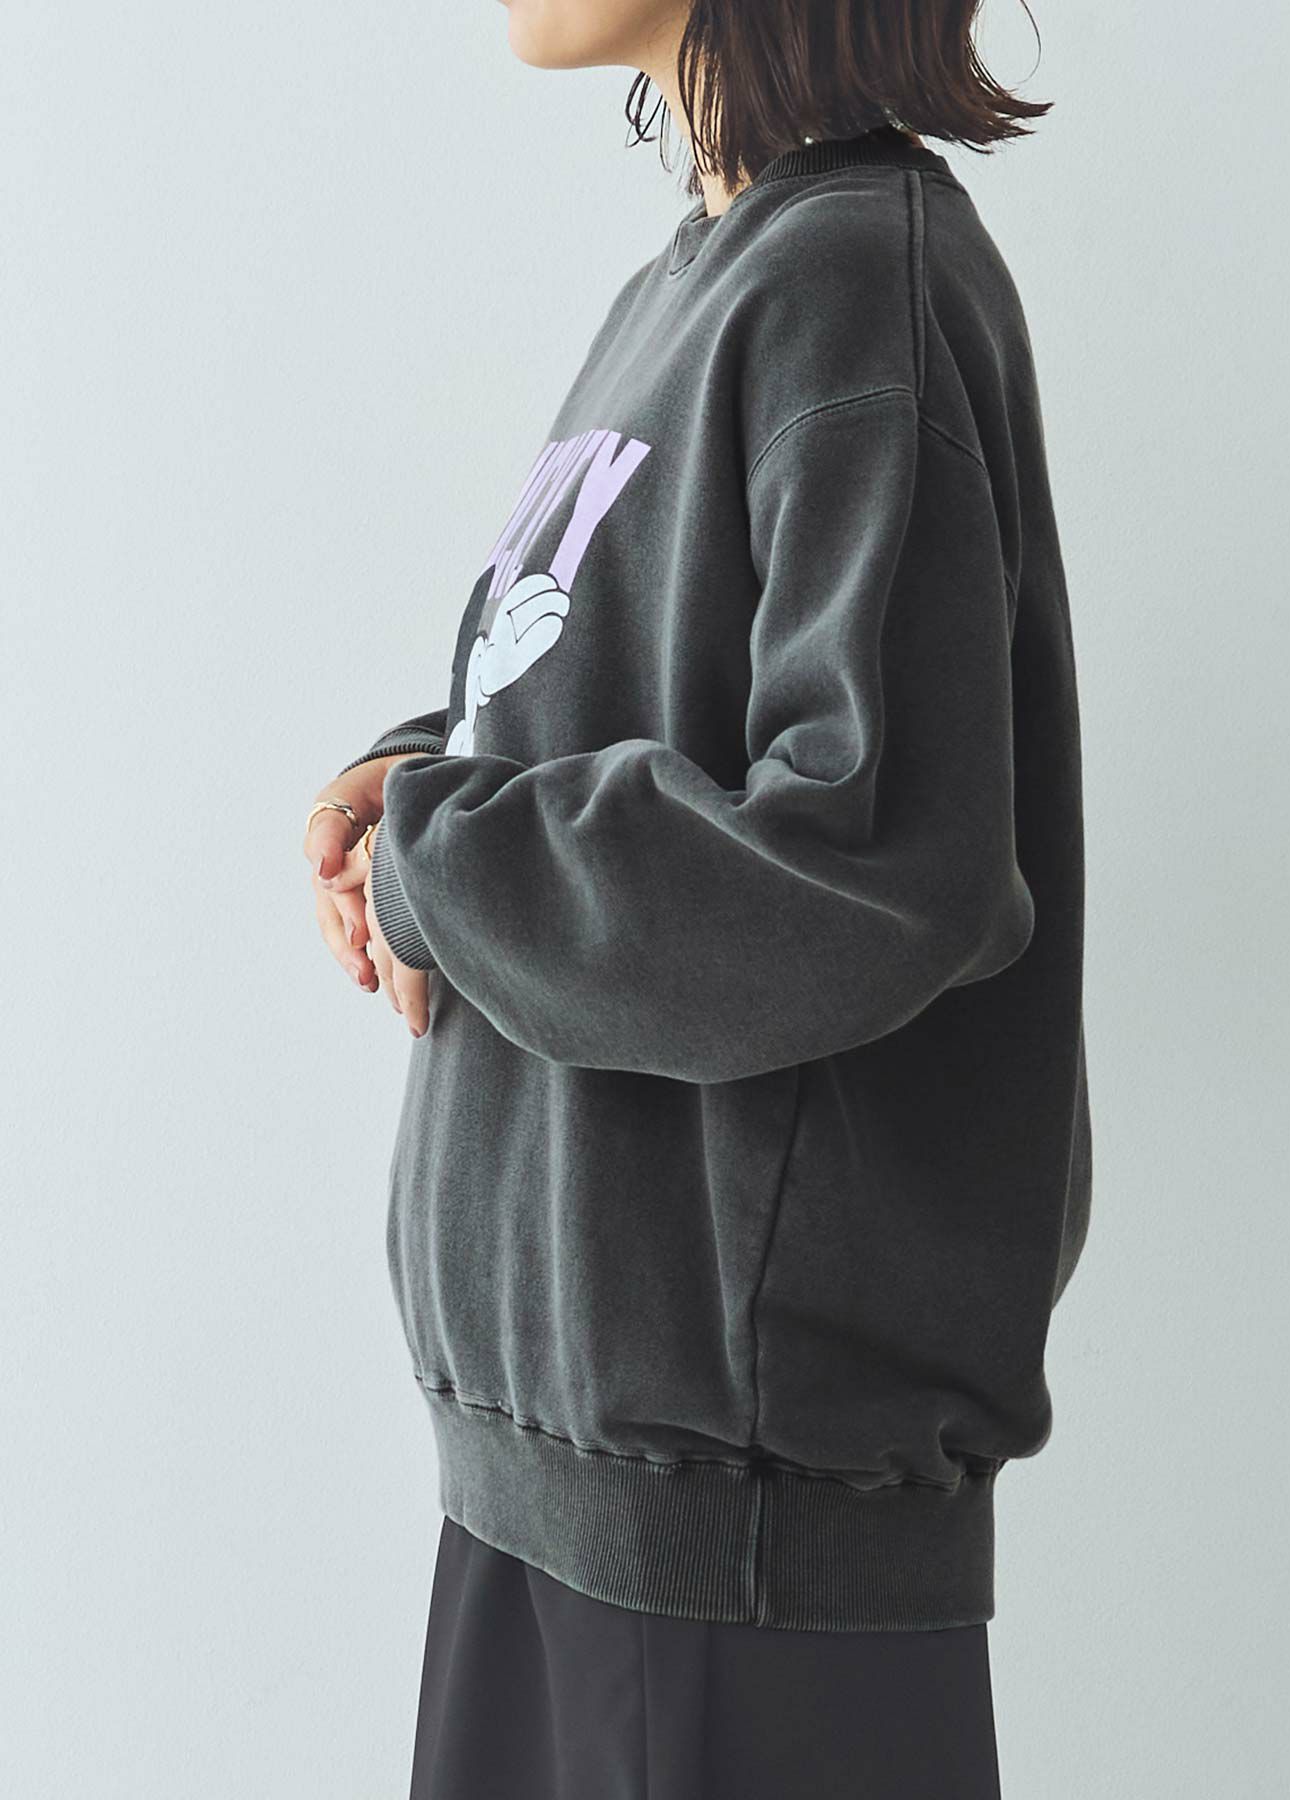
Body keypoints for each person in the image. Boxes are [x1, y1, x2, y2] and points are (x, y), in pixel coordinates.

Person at [302, 1, 1091, 1793]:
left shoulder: (856, 283)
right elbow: (621, 713)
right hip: (552, 1463)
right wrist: (410, 778)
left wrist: (439, 861)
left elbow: (864, 865)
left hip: (733, 1520)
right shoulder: (707, 276)